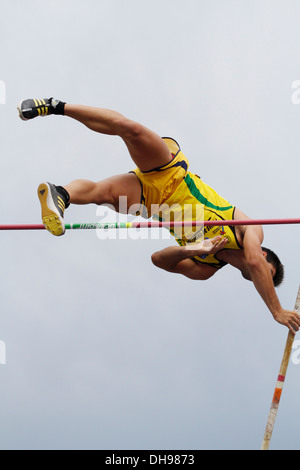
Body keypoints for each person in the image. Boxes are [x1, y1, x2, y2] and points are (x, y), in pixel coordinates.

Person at [17, 97, 300, 335]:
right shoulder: (250, 232)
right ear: (263, 256)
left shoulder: (206, 267)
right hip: (170, 173)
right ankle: (55, 106)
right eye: (266, 271)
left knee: (100, 193)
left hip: (151, 204)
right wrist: (276, 311)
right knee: (131, 130)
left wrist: (190, 249)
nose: (258, 275)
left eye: (259, 279)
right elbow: (252, 260)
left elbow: (158, 260)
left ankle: (60, 195)